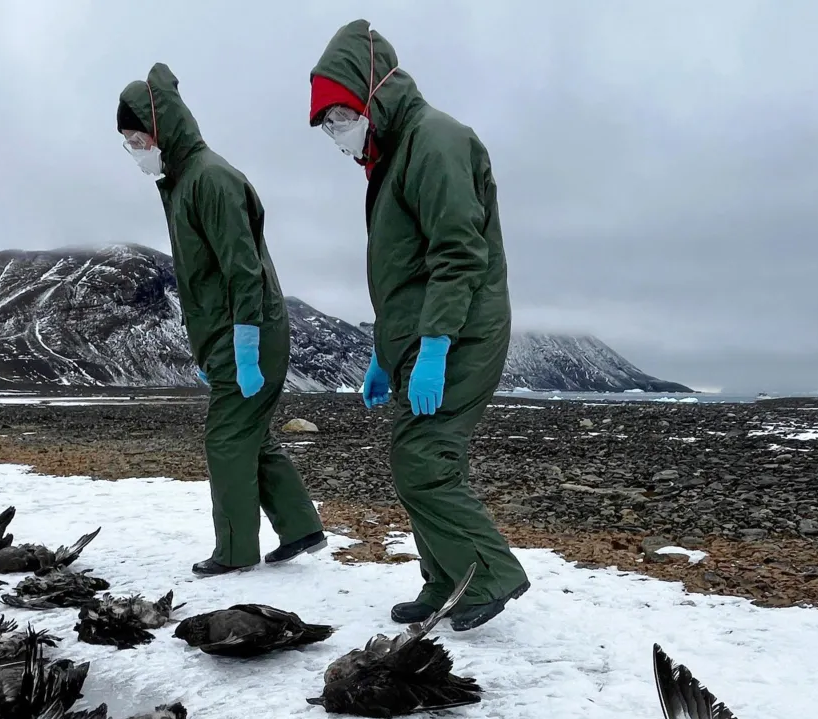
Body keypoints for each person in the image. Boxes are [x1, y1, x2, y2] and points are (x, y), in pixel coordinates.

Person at [308, 20, 529, 631]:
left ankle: (490, 573)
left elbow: (456, 253)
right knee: (423, 461)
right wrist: (387, 353)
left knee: (422, 459)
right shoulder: (394, 154)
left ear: (373, 95)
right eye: (325, 123)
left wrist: (434, 346)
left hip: (461, 331)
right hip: (422, 338)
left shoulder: (434, 141)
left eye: (340, 115)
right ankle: (445, 582)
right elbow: (402, 275)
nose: (335, 132)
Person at [118, 64, 326, 575]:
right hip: (231, 336)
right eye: (127, 141)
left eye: (138, 137)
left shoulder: (210, 179)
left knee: (227, 437)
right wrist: (210, 349)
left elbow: (241, 268)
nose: (135, 150)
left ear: (161, 129)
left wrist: (246, 343)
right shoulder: (185, 181)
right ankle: (301, 529)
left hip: (250, 331)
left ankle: (234, 551)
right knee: (250, 432)